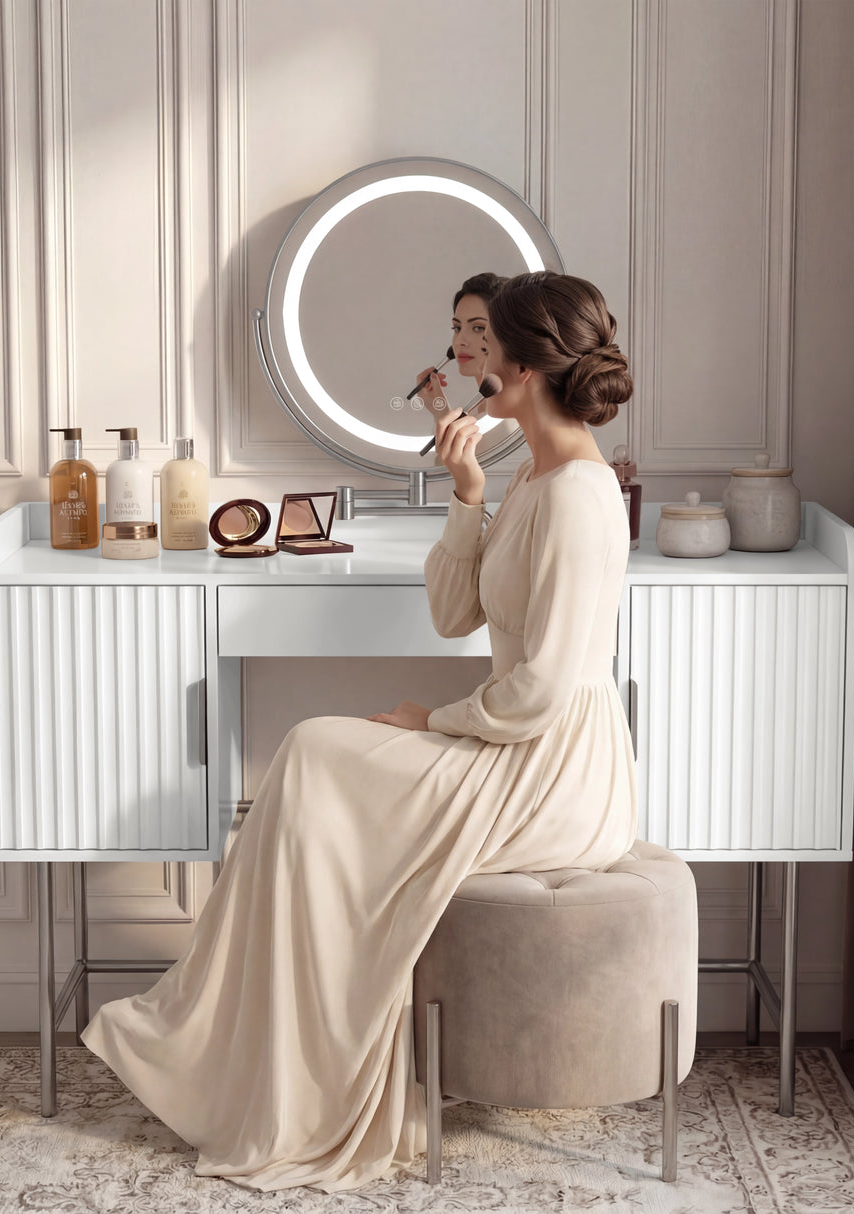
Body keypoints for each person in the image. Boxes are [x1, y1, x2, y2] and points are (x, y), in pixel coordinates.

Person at [80, 270, 639, 1194]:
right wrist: (465, 492)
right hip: (510, 744)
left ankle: (270, 1064)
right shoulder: (537, 478)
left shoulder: (580, 495)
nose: (474, 362)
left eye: (487, 346)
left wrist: (438, 720)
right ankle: (256, 1054)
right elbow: (457, 614)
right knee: (312, 763)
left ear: (528, 369)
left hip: (554, 771)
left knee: (309, 755)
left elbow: (541, 691)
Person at [413, 271, 508, 413]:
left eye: (477, 328)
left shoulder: (506, 414)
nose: (460, 341)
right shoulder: (483, 411)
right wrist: (440, 411)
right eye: (457, 328)